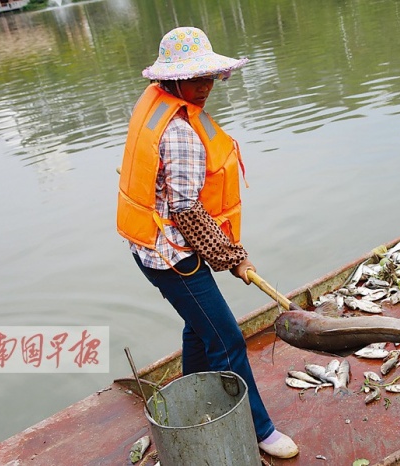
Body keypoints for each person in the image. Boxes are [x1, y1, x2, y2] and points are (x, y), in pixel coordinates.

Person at [116, 26, 298, 459]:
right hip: (171, 256)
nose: (204, 87)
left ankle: (191, 396)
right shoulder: (178, 131)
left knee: (199, 326)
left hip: (150, 245)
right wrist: (230, 256)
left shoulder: (157, 107)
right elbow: (185, 209)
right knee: (228, 338)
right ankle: (261, 429)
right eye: (195, 78)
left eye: (209, 77)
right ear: (172, 80)